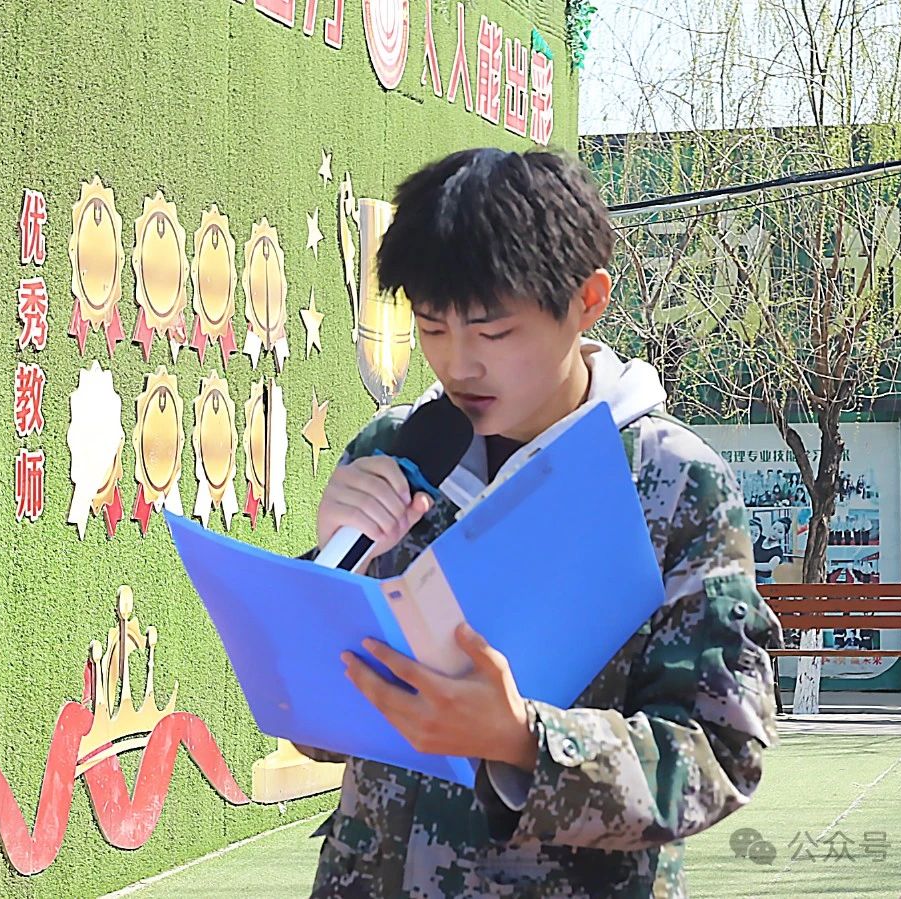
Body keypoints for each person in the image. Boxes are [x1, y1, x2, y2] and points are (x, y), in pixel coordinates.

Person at [302, 148, 782, 898]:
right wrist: (331, 569)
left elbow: (719, 754)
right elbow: (314, 729)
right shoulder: (393, 451)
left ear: (588, 299)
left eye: (494, 333)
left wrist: (525, 740)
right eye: (431, 328)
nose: (459, 365)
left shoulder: (673, 484)